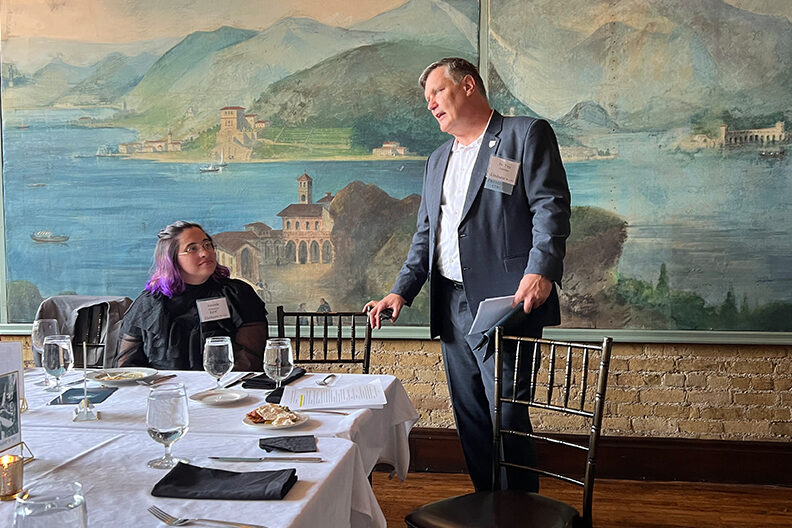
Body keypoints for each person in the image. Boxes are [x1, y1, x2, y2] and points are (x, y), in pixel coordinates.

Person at [366, 58, 571, 492]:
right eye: (427, 98)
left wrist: (541, 270)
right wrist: (401, 291)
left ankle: (521, 513)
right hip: (451, 305)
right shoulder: (437, 160)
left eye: (437, 92)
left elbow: (549, 207)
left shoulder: (524, 135)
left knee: (507, 414)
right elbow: (427, 235)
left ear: (469, 86)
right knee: (472, 416)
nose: (430, 104)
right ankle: (487, 506)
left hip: (507, 303)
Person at [116, 221, 269, 371]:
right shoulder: (150, 302)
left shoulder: (237, 294)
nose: (205, 253)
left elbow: (251, 362)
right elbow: (128, 368)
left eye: (207, 245)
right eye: (192, 248)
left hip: (225, 385)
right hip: (163, 386)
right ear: (171, 258)